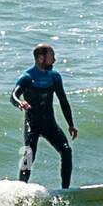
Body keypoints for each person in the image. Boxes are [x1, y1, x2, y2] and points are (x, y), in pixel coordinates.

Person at [11, 43, 79, 188]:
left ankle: (65, 190)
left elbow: (63, 101)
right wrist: (19, 103)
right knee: (29, 155)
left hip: (49, 124)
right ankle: (21, 188)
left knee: (66, 151)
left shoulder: (54, 77)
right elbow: (13, 96)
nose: (54, 60)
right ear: (41, 58)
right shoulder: (27, 78)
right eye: (52, 56)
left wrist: (71, 124)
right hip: (33, 124)